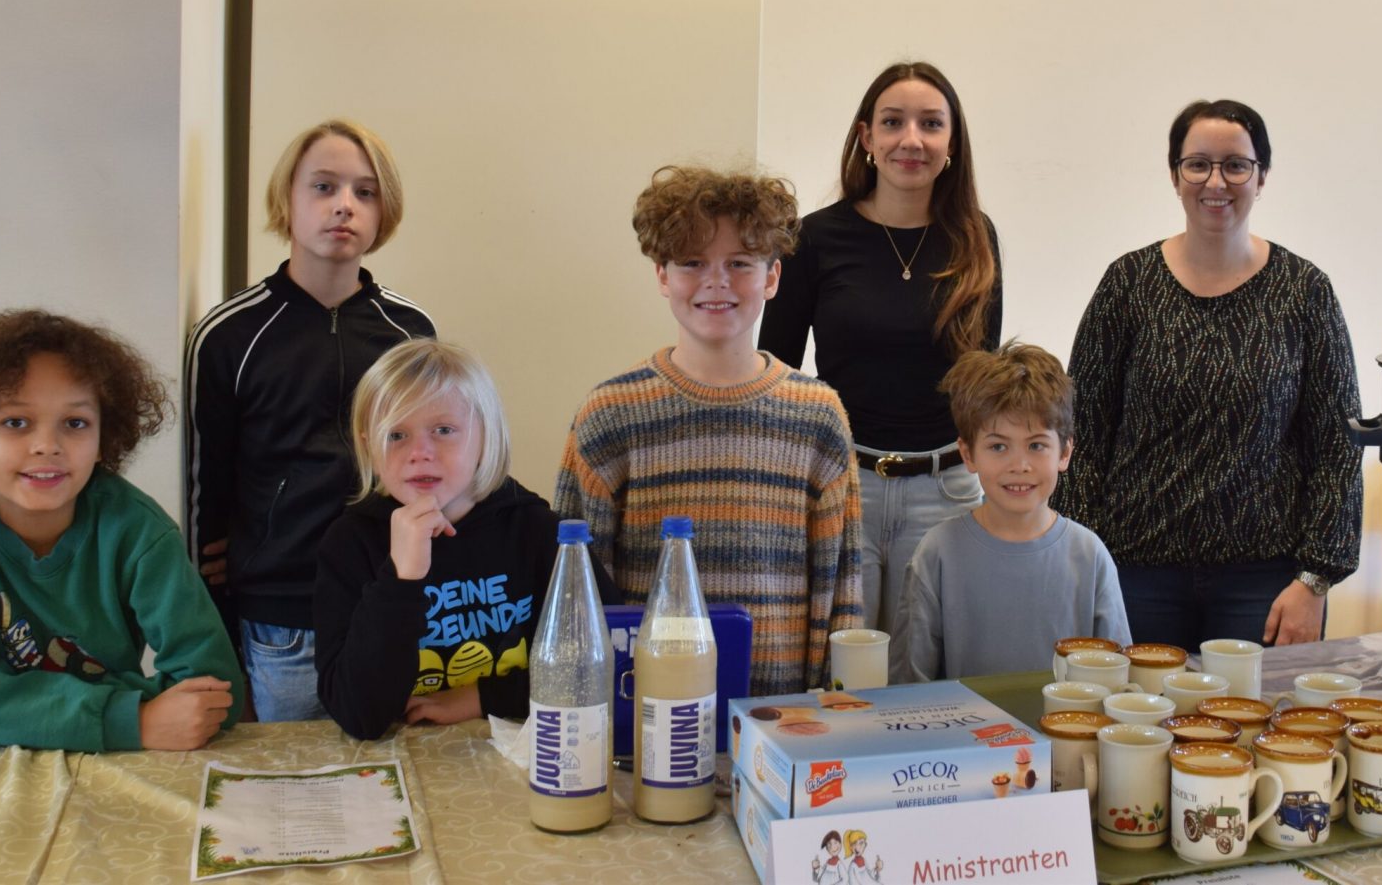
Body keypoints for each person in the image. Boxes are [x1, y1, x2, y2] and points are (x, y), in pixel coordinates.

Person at [1054, 99, 1362, 650]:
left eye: (1235, 165)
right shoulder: (1128, 284)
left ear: (1261, 177)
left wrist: (1315, 580)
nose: (1215, 182)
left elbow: (1338, 445)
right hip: (1135, 574)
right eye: (1197, 164)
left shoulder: (1304, 291)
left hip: (1266, 582)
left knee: (1257, 709)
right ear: (1175, 176)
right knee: (1136, 709)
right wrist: (1082, 563)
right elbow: (1083, 435)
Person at [556, 165, 862, 697]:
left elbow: (840, 592)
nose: (716, 281)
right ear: (662, 275)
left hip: (778, 717)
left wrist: (826, 708)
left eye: (739, 263)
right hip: (645, 713)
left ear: (772, 277)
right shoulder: (610, 415)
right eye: (692, 262)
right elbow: (574, 595)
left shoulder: (818, 417)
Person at [184, 118, 434, 721]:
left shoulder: (410, 332)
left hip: (389, 603)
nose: (344, 205)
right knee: (291, 781)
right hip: (281, 624)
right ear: (287, 200)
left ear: (383, 211)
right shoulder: (228, 335)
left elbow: (431, 469)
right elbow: (201, 494)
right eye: (323, 187)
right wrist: (216, 635)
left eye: (364, 192)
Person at [760, 60, 1002, 679]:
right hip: (846, 486)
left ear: (952, 142)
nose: (911, 140)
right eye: (893, 123)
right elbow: (776, 375)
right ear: (867, 137)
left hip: (946, 490)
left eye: (931, 124)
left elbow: (984, 383)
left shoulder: (977, 238)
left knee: (928, 677)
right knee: (842, 677)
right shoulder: (813, 238)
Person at [0, 309, 243, 750]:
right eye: (15, 422)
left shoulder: (140, 530)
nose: (47, 445)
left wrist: (125, 718)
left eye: (75, 423)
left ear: (105, 438)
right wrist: (134, 717)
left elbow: (214, 689)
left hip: (102, 761)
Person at [314, 339, 619, 740]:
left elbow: (607, 660)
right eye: (396, 435)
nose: (420, 452)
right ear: (370, 446)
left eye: (443, 430)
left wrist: (484, 696)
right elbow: (358, 715)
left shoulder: (538, 532)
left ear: (485, 438)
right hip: (404, 754)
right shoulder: (349, 543)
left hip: (523, 747)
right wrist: (401, 578)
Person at [901, 341, 1131, 681]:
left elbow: (1117, 681)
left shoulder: (1090, 556)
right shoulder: (937, 553)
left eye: (1036, 445)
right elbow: (909, 686)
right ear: (968, 454)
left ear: (1064, 452)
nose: (1019, 465)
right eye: (998, 446)